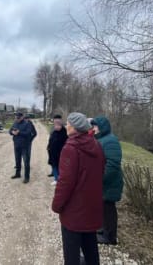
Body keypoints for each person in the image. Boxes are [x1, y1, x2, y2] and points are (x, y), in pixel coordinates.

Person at [52, 112, 105, 265]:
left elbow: (65, 183)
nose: (66, 126)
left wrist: (57, 205)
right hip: (91, 207)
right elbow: (101, 172)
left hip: (74, 211)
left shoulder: (70, 148)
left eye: (68, 123)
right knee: (90, 246)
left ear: (74, 127)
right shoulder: (96, 145)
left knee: (71, 253)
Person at [91, 116, 124, 246]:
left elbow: (113, 164)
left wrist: (100, 178)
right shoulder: (101, 139)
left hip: (110, 183)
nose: (93, 128)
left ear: (102, 127)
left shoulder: (111, 141)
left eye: (95, 126)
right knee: (103, 207)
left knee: (109, 209)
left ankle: (110, 237)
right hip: (103, 183)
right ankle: (103, 230)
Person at [9, 112, 32, 183]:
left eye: (18, 118)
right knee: (17, 161)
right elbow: (10, 131)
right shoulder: (15, 123)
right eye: (16, 117)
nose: (17, 119)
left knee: (26, 162)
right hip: (16, 145)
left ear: (22, 117)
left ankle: (27, 177)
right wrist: (12, 132)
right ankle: (17, 174)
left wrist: (19, 132)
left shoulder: (27, 124)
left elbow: (28, 133)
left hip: (25, 146)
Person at [47, 118, 68, 186]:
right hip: (53, 153)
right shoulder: (54, 132)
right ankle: (56, 179)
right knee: (54, 166)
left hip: (61, 153)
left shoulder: (65, 133)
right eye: (55, 125)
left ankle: (61, 180)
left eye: (58, 125)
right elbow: (51, 140)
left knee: (60, 167)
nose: (56, 127)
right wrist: (48, 146)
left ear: (61, 125)